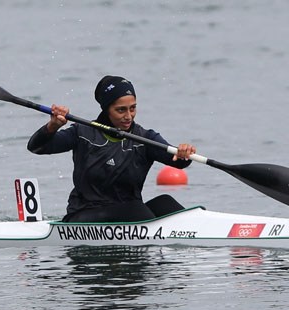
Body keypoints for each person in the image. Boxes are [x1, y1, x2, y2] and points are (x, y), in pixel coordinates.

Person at [27, 75, 196, 222]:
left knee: (165, 202)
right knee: (135, 209)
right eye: (121, 110)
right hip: (84, 216)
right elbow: (36, 147)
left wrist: (182, 154)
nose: (128, 116)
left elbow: (178, 163)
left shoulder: (144, 138)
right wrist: (52, 126)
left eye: (132, 108)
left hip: (132, 214)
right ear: (106, 110)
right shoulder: (82, 133)